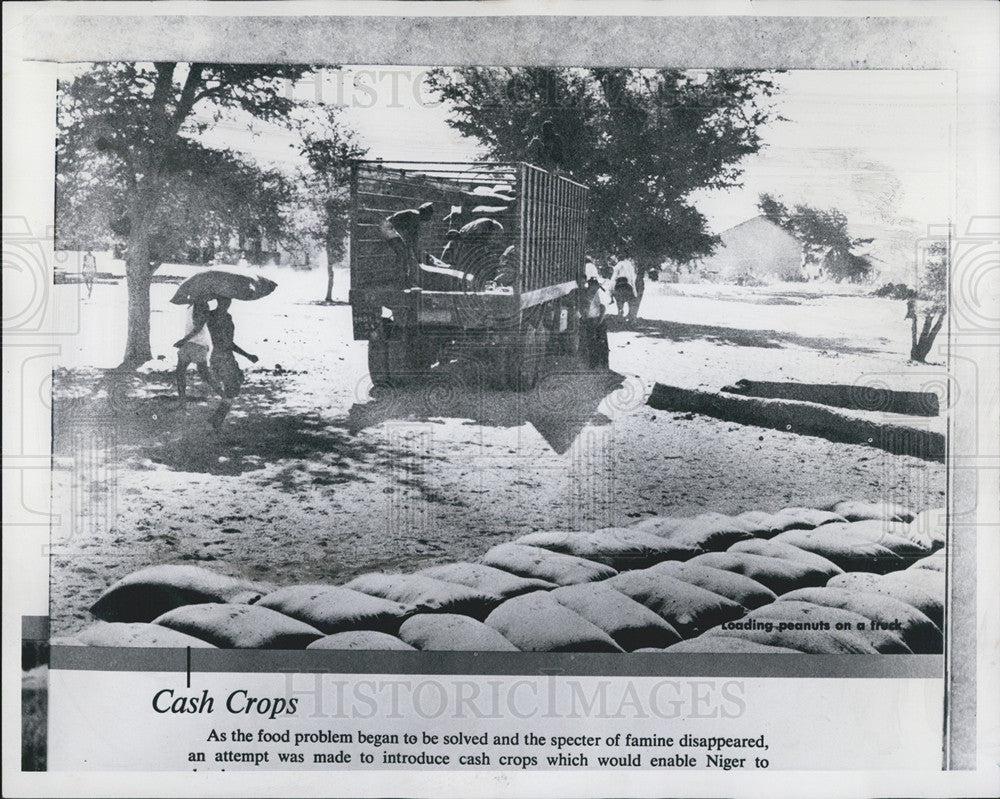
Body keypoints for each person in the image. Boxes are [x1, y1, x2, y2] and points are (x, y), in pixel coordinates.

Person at [206, 297, 258, 429]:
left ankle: (216, 418)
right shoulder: (223, 317)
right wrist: (247, 355)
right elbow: (228, 343)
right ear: (221, 301)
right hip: (224, 357)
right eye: (226, 301)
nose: (228, 303)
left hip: (219, 355)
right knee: (232, 388)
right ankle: (217, 420)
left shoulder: (213, 315)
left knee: (234, 386)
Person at [173, 301, 223, 401]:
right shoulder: (192, 304)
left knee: (204, 373)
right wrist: (185, 341)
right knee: (180, 372)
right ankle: (182, 399)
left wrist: (183, 340)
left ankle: (224, 395)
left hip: (198, 344)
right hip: (189, 343)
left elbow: (198, 327)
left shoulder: (201, 304)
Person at [379, 202, 434, 284]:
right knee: (403, 253)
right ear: (425, 213)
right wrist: (418, 257)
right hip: (387, 226)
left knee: (405, 253)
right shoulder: (415, 215)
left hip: (390, 228)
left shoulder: (416, 217)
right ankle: (401, 279)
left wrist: (419, 256)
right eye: (429, 215)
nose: (430, 218)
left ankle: (403, 278)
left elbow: (414, 239)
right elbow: (411, 238)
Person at [582, 277, 609, 369]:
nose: (592, 287)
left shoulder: (599, 293)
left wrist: (599, 322)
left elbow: (603, 308)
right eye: (590, 285)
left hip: (598, 320)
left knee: (601, 342)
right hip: (591, 320)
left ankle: (604, 363)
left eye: (594, 285)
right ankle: (594, 363)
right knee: (592, 342)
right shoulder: (589, 293)